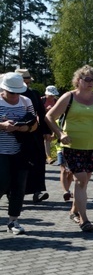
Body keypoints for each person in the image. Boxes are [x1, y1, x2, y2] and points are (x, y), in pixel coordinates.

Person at [45, 65, 93, 232]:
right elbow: (49, 116)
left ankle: (74, 210)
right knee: (80, 180)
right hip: (72, 146)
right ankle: (84, 219)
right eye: (87, 79)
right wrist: (60, 133)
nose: (91, 83)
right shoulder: (69, 97)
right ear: (78, 80)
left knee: (84, 181)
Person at [0, 73, 38, 235]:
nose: (15, 95)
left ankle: (13, 220)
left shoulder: (26, 101)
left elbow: (35, 123)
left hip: (21, 151)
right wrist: (2, 125)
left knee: (18, 187)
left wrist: (26, 128)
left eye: (17, 92)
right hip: (1, 151)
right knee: (1, 184)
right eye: (11, 92)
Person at [16, 69, 49, 203]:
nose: (28, 85)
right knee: (17, 163)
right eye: (25, 82)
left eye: (29, 82)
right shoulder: (7, 94)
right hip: (14, 133)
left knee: (38, 162)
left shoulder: (34, 94)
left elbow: (42, 113)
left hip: (34, 132)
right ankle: (13, 192)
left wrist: (46, 131)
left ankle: (37, 191)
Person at [42, 85, 59, 163]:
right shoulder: (42, 100)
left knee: (50, 138)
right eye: (50, 95)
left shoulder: (56, 101)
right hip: (41, 121)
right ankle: (47, 157)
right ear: (46, 94)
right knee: (46, 138)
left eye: (53, 95)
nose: (52, 97)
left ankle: (48, 157)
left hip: (52, 121)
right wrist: (45, 109)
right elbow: (36, 111)